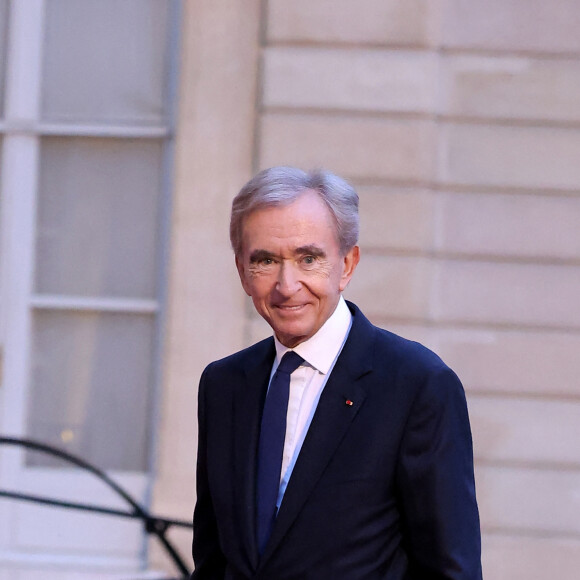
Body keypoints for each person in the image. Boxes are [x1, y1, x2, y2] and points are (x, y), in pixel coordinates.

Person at [191, 166, 482, 579]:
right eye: (266, 261)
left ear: (347, 264)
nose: (286, 285)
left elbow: (451, 568)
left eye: (308, 259)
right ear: (242, 271)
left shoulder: (416, 384)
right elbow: (213, 560)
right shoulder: (222, 386)